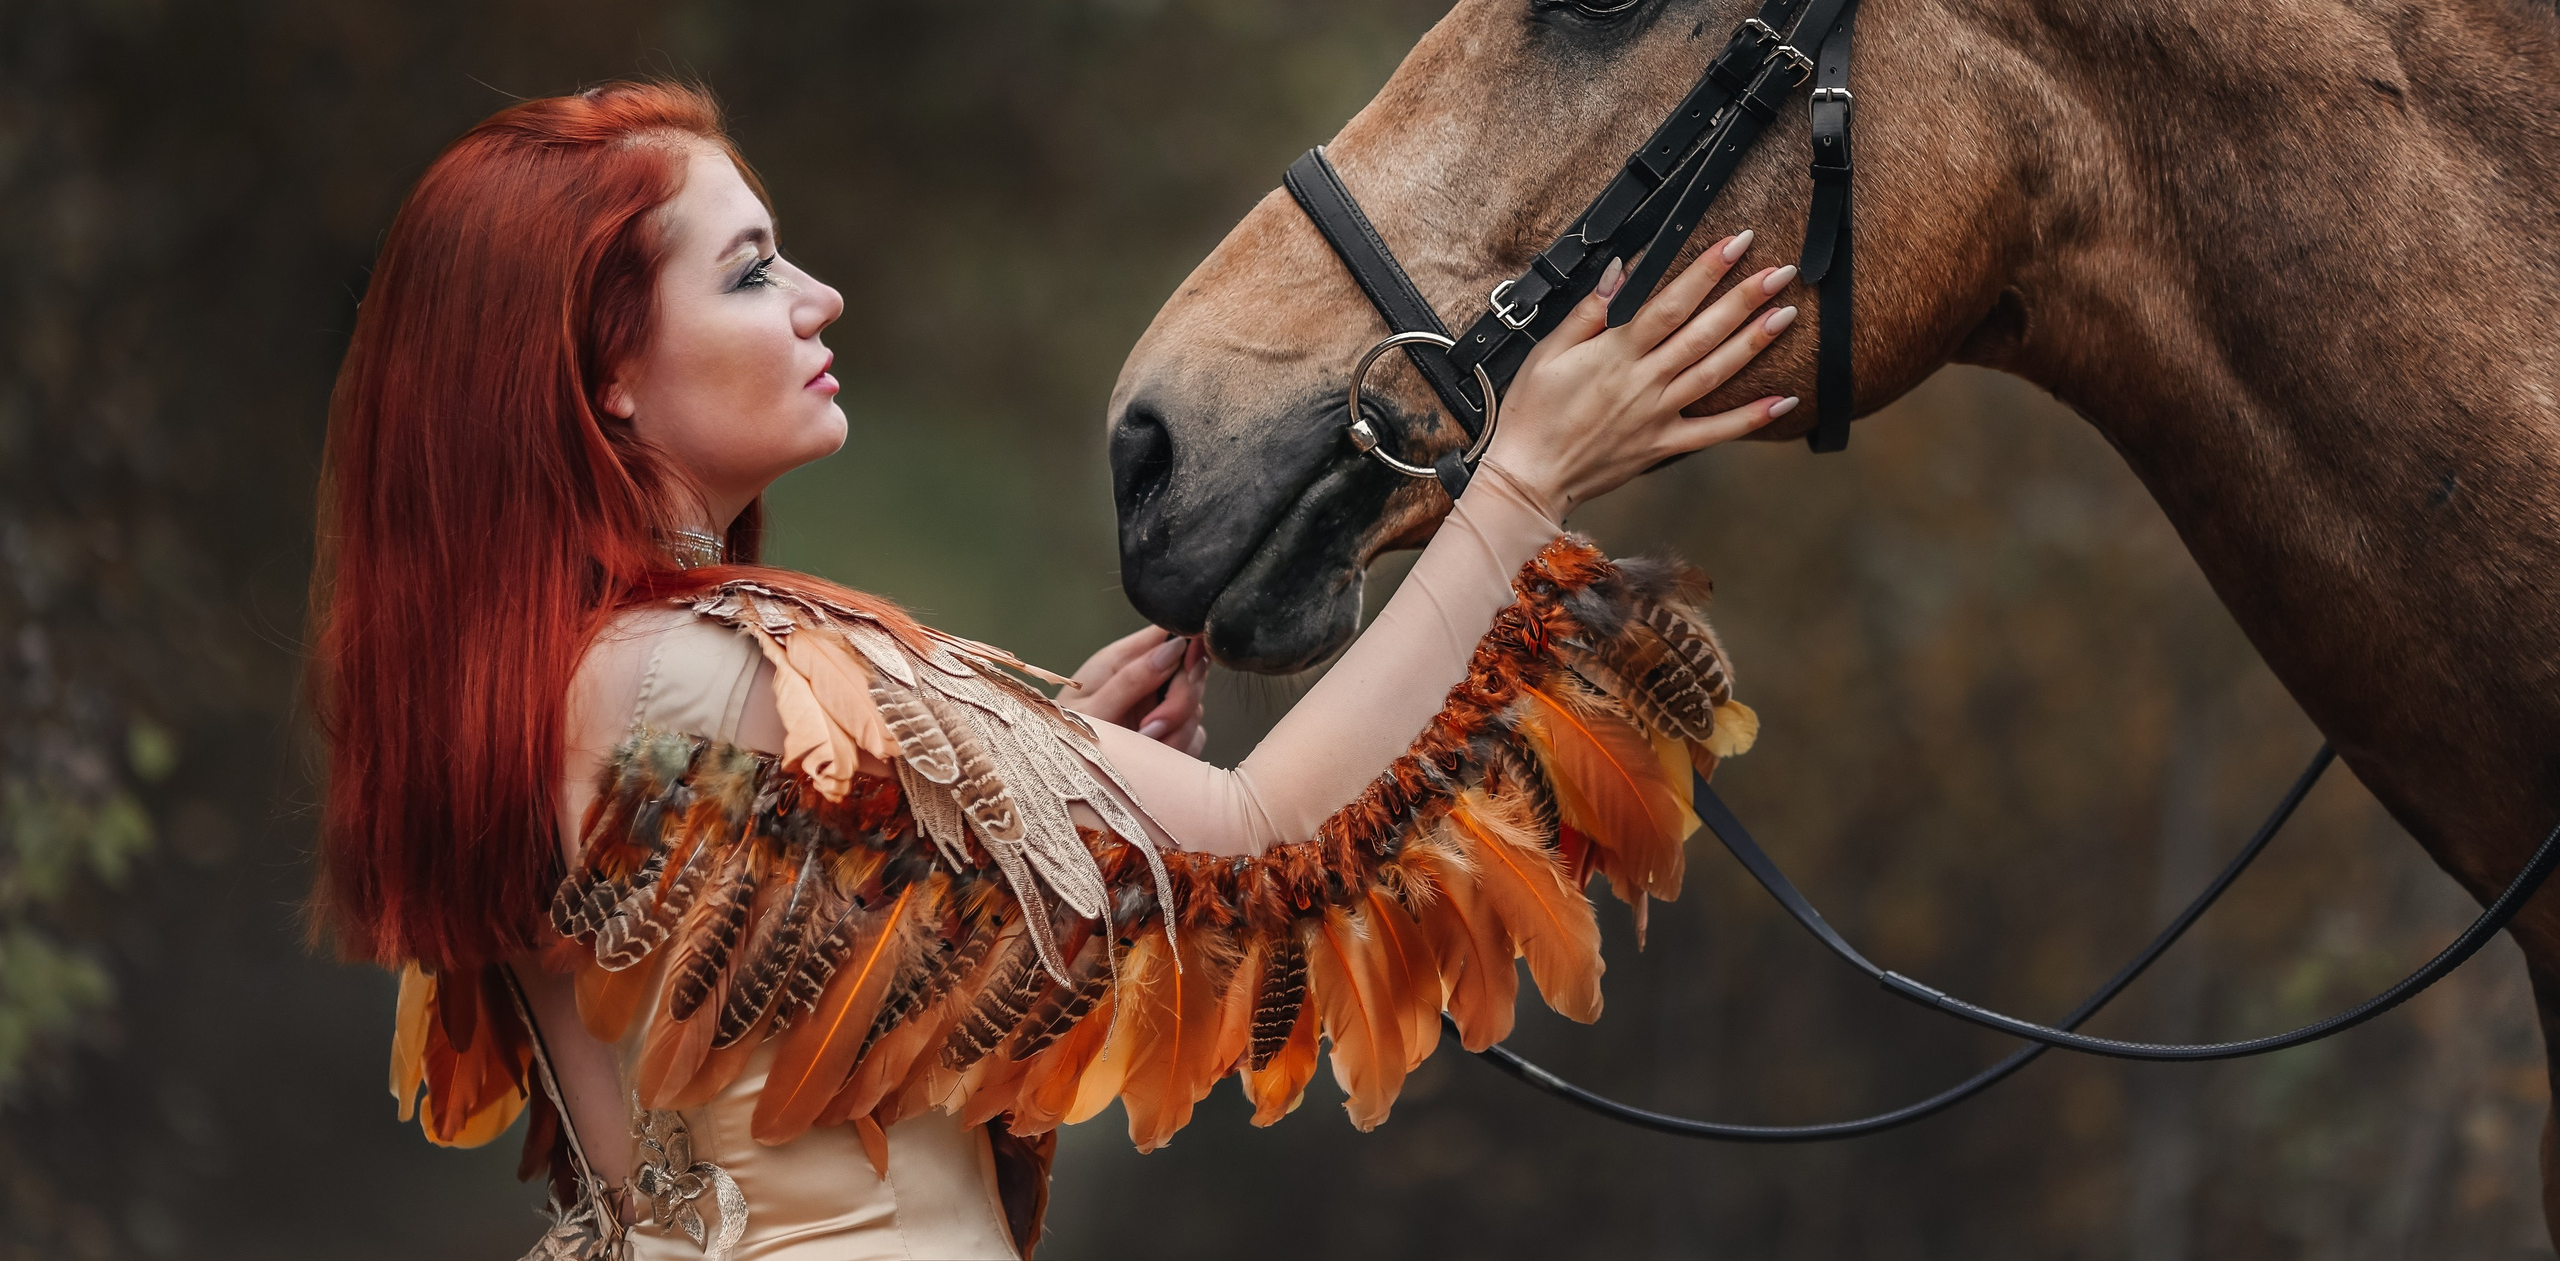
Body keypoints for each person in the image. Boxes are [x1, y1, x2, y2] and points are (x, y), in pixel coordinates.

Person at [310, 82, 1797, 1259]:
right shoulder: (728, 666)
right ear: (606, 373)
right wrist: (1523, 478)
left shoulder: (565, 678)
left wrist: (1027, 775)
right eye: (752, 273)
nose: (819, 297)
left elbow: (771, 1029)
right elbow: (1261, 837)